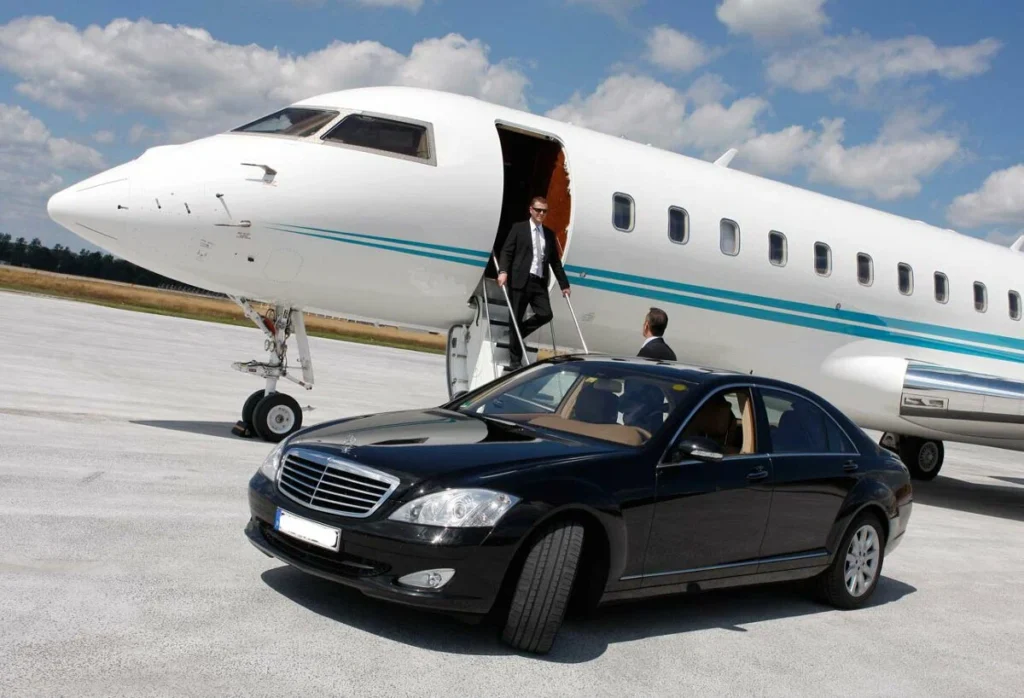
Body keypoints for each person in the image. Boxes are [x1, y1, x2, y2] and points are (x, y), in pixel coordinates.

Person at [497, 197, 570, 370]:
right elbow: (507, 251)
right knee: (515, 317)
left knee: (546, 314)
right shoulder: (519, 229)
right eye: (538, 210)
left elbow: (555, 263)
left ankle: (518, 332)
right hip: (519, 279)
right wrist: (503, 271)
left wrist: (564, 284)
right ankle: (515, 361)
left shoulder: (549, 235)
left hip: (538, 282)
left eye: (544, 211)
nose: (541, 214)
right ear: (531, 210)